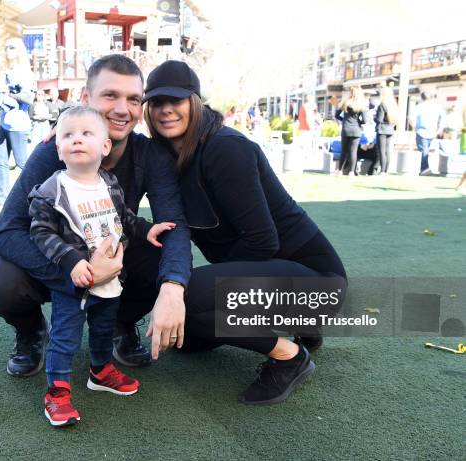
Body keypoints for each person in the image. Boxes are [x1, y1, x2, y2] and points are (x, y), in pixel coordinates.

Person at [142, 60, 347, 405]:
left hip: (318, 283)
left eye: (175, 101)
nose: (165, 110)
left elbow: (263, 242)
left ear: (195, 101)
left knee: (188, 299)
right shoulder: (168, 156)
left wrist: (202, 288)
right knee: (188, 335)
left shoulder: (224, 148)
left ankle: (291, 357)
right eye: (157, 102)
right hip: (276, 277)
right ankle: (302, 328)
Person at [0, 54, 191, 380]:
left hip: (112, 254)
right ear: (85, 99)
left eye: (133, 99)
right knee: (1, 278)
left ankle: (121, 322)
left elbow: (174, 224)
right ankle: (31, 329)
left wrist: (174, 288)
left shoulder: (148, 154)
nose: (123, 109)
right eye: (110, 96)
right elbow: (6, 233)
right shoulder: (54, 151)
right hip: (59, 259)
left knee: (159, 249)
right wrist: (79, 271)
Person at [30, 106, 176, 426]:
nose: (77, 140)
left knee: (102, 329)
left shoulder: (109, 183)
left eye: (86, 134)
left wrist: (145, 228)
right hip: (75, 283)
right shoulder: (52, 190)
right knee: (65, 337)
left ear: (105, 147)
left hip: (111, 279)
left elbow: (123, 218)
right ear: (58, 148)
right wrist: (71, 261)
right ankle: (57, 392)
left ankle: (100, 371)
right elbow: (40, 231)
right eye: (68, 135)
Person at [0, 38, 35, 207]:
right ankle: (2, 198)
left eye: (11, 47)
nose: (7, 50)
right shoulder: (7, 71)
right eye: (6, 47)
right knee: (0, 161)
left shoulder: (25, 72)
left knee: (22, 163)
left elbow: (29, 98)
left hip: (18, 123)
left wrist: (7, 93)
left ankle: (34, 198)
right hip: (4, 121)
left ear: (19, 51)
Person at [335, 86, 366, 175]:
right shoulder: (361, 104)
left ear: (351, 93)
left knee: (344, 151)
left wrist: (344, 120)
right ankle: (352, 171)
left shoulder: (345, 102)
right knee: (353, 151)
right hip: (356, 130)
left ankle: (339, 170)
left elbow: (337, 115)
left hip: (346, 128)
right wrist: (358, 122)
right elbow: (365, 120)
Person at [411, 92, 443, 175]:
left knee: (424, 151)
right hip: (433, 132)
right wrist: (439, 129)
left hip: (421, 131)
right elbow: (442, 118)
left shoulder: (418, 107)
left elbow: (411, 118)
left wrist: (415, 128)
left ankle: (424, 169)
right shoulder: (437, 107)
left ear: (422, 98)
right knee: (426, 151)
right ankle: (425, 168)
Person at [374, 84, 398, 175]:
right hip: (390, 129)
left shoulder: (382, 105)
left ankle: (382, 171)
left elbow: (379, 119)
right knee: (387, 151)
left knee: (382, 151)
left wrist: (374, 117)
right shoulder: (393, 105)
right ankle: (386, 170)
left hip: (382, 130)